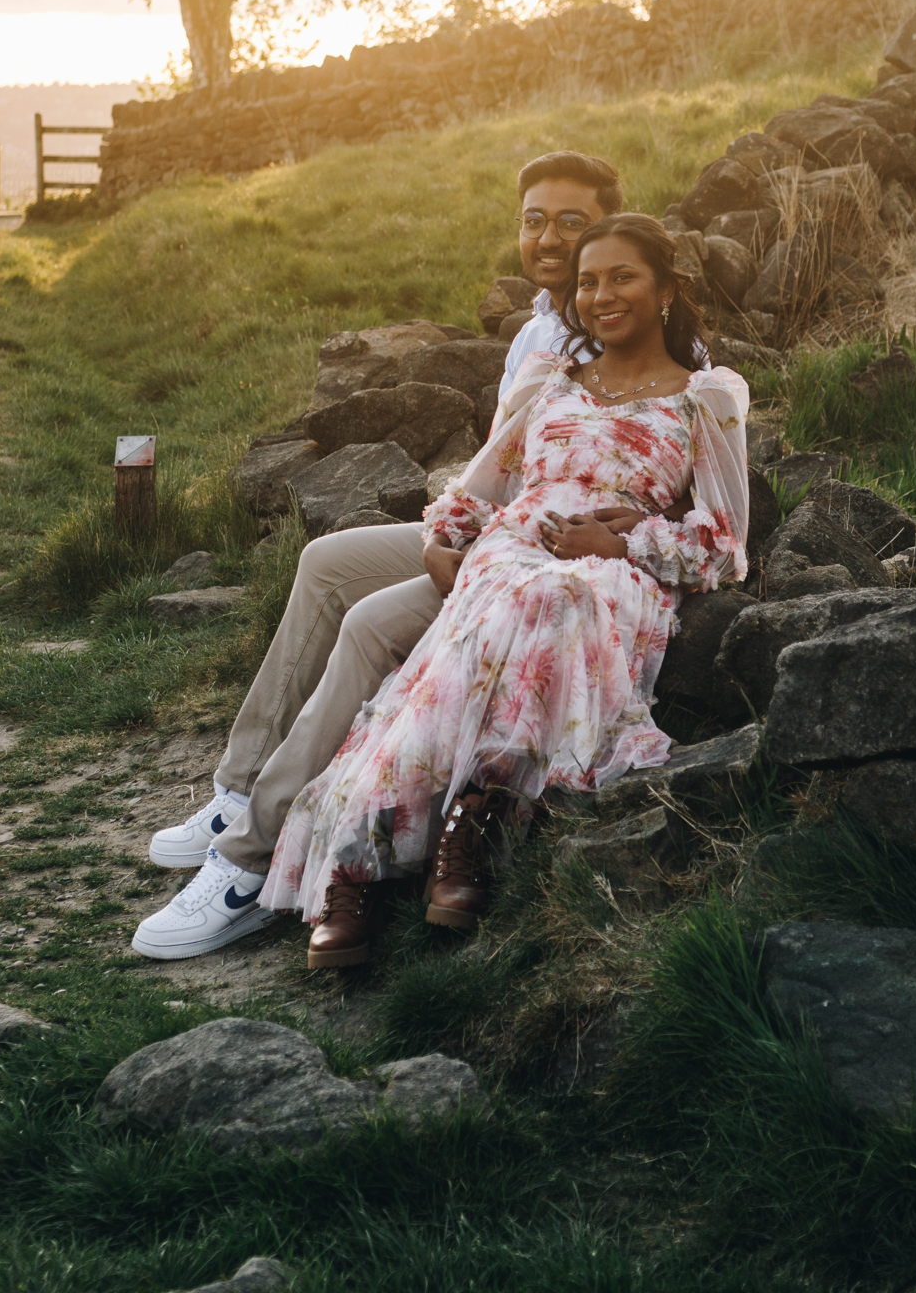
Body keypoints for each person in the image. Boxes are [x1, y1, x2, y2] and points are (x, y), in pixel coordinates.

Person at [131, 149, 627, 960]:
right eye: (534, 218)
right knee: (327, 561)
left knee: (368, 620)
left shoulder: (617, 331)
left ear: (605, 227)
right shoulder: (537, 326)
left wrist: (487, 542)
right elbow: (497, 464)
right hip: (486, 528)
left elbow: (648, 463)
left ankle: (249, 863)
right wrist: (446, 531)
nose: (548, 236)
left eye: (571, 221)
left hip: (540, 562)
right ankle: (238, 787)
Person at [259, 213, 749, 967]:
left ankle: (470, 815)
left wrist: (625, 541)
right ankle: (360, 853)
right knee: (502, 610)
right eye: (587, 281)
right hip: (512, 550)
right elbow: (482, 480)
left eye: (622, 277)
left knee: (556, 598)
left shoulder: (704, 398)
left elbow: (725, 541)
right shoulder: (548, 381)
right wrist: (441, 537)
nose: (600, 295)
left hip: (611, 574)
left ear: (664, 292)